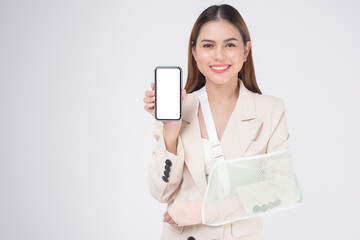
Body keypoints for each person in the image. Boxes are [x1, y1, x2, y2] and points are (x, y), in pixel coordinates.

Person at [143, 4, 290, 240]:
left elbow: (278, 190)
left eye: (230, 45)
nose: (219, 55)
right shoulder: (177, 108)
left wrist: (205, 211)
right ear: (194, 51)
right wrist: (171, 129)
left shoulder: (269, 110)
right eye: (208, 45)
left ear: (245, 50)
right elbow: (160, 191)